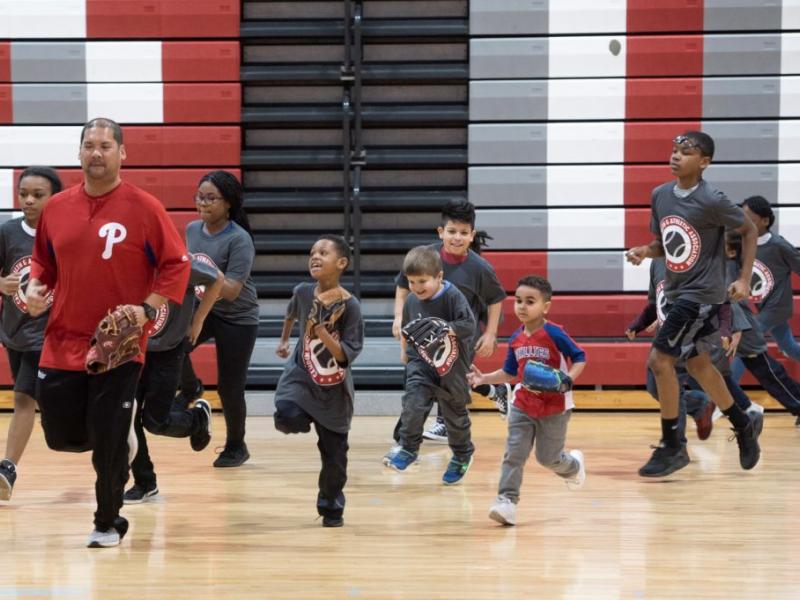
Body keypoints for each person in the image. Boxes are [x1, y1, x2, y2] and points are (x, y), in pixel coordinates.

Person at [27, 117, 191, 547]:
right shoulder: (57, 207)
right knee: (61, 436)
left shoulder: (144, 207)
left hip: (118, 346)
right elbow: (43, 262)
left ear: (123, 154)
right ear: (78, 153)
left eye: (104, 145)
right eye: (88, 145)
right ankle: (119, 440)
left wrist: (146, 309)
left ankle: (107, 522)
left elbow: (177, 263)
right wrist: (34, 287)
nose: (96, 153)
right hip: (61, 340)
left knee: (108, 444)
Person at [626, 130, 762, 477]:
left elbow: (747, 231)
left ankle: (673, 446)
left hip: (702, 296)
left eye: (686, 151)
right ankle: (742, 422)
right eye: (674, 149)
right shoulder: (660, 195)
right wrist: (646, 250)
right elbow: (666, 244)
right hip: (676, 293)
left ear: (704, 162)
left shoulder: (713, 199)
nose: (676, 155)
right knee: (701, 366)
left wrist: (744, 279)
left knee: (660, 361)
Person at [467, 275, 586, 526]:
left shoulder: (555, 333)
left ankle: (573, 467)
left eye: (530, 301)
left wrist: (568, 379)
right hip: (522, 405)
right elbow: (510, 372)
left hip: (554, 407)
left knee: (548, 458)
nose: (522, 306)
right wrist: (484, 378)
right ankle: (506, 502)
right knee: (514, 453)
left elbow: (580, 357)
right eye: (518, 300)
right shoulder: (515, 339)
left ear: (546, 306)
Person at [391, 200, 507, 443]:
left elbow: (495, 299)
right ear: (441, 232)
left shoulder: (480, 268)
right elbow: (403, 285)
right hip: (425, 332)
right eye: (452, 231)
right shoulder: (425, 256)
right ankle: (494, 392)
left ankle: (440, 425)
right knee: (420, 377)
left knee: (450, 377)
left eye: (464, 233)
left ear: (472, 235)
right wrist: (399, 316)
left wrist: (491, 333)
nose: (457, 238)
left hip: (460, 333)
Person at [273, 235, 364, 527]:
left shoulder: (351, 307)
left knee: (334, 458)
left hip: (334, 389)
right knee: (286, 416)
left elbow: (344, 358)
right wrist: (285, 341)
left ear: (341, 263)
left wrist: (322, 332)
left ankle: (330, 505)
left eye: (323, 252)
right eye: (312, 251)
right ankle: (303, 414)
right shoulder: (302, 292)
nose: (314, 256)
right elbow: (291, 313)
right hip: (301, 377)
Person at [123, 257, 224, 503]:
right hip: (133, 349)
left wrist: (198, 320)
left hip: (167, 353)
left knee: (156, 422)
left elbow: (217, 279)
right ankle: (145, 482)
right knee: (127, 417)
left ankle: (197, 419)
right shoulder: (126, 255)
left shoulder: (181, 262)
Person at [183, 171, 259, 467]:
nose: (203, 203)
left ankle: (236, 446)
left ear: (228, 203)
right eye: (199, 196)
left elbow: (230, 291)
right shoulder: (191, 230)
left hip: (238, 316)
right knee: (173, 347)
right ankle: (191, 390)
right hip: (205, 308)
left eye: (210, 198)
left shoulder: (240, 239)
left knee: (230, 386)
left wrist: (199, 268)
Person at [384, 245, 477, 485]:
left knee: (454, 415)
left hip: (452, 365)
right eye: (412, 282)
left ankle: (462, 454)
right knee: (413, 405)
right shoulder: (413, 301)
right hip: (421, 363)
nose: (416, 287)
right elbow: (407, 328)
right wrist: (404, 352)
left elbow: (469, 325)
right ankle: (408, 447)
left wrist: (447, 328)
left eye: (422, 281)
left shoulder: (453, 296)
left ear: (439, 277)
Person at [0, 167, 62, 500]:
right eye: (23, 193)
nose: (28, 200)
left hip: (50, 335)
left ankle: (7, 466)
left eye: (37, 195)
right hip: (14, 333)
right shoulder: (8, 232)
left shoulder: (63, 235)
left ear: (55, 198)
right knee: (41, 404)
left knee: (24, 399)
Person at [725, 232, 800, 426]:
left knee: (769, 374)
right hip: (741, 322)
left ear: (732, 252)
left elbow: (734, 304)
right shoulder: (722, 264)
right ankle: (738, 407)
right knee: (789, 349)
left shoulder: (731, 269)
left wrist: (737, 329)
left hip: (747, 325)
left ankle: (737, 407)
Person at [731, 196, 800, 380]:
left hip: (777, 308)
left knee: (745, 341)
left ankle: (729, 398)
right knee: (789, 347)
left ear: (765, 221)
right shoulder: (741, 244)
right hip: (762, 307)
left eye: (749, 218)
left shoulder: (778, 245)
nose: (743, 222)